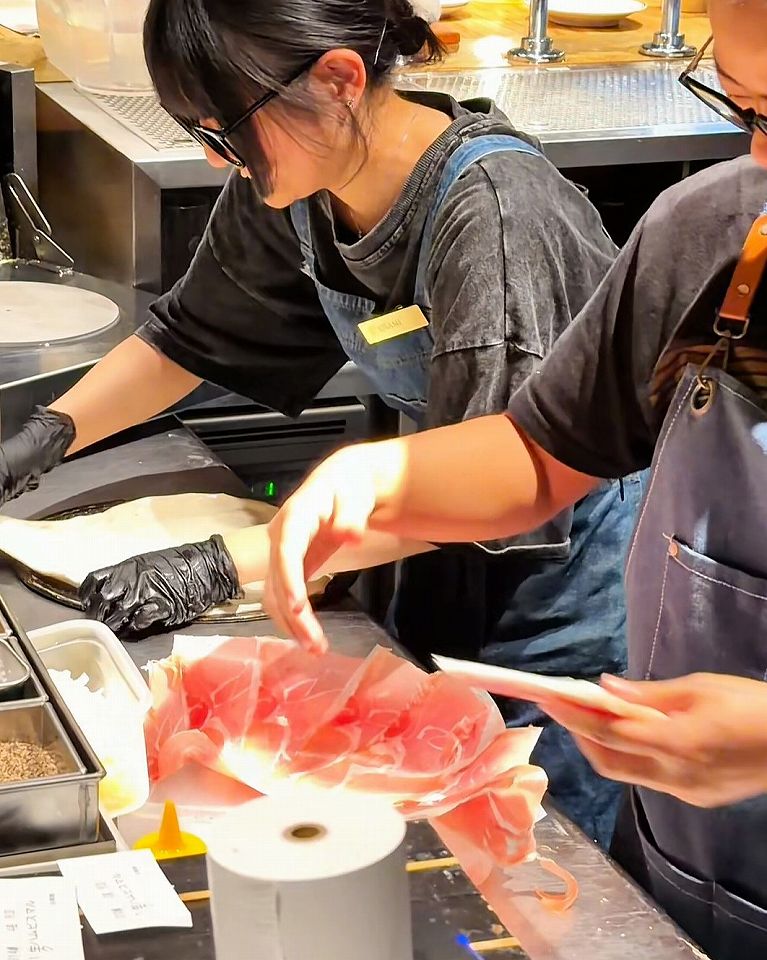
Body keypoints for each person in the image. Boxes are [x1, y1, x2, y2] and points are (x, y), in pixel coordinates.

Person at [0, 0, 639, 846]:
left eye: (226, 130)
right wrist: (45, 435)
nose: (213, 157)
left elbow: (498, 482)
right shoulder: (304, 180)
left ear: (337, 79)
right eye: (198, 130)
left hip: (564, 588)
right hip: (427, 549)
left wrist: (215, 568)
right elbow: (188, 339)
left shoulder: (494, 216)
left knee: (537, 847)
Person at [262, 3, 767, 957]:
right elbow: (542, 452)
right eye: (743, 105)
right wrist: (376, 476)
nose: (758, 155)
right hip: (687, 866)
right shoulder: (712, 235)